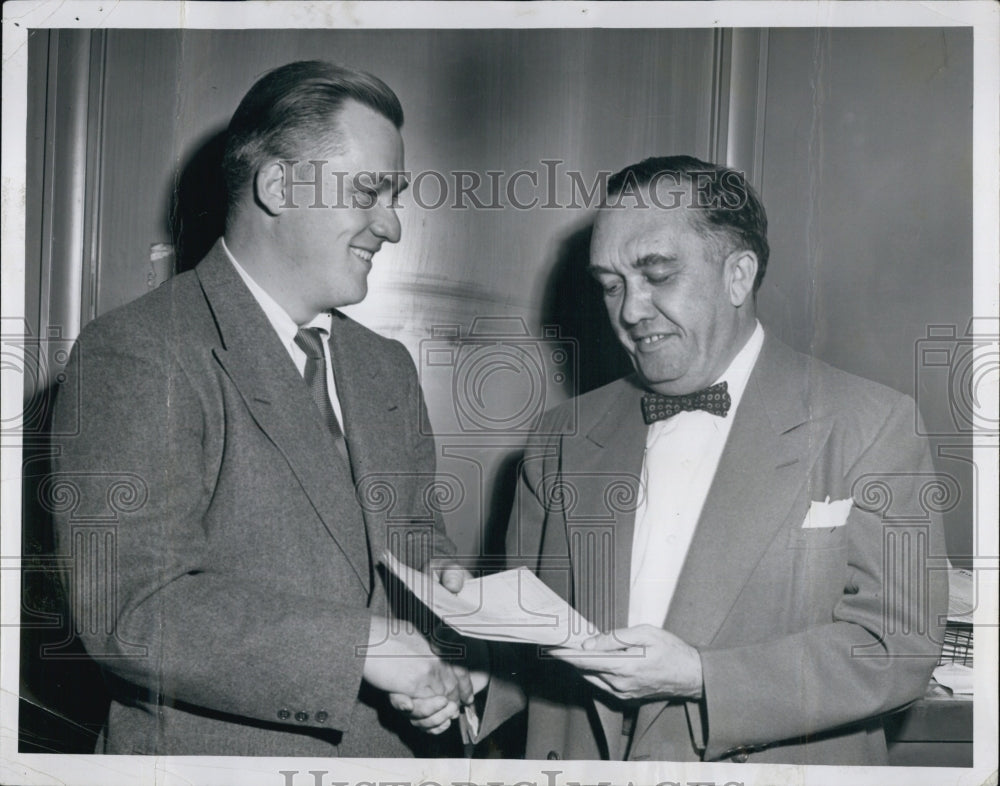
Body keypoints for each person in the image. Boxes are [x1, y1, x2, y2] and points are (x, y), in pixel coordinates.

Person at [51, 60, 474, 756]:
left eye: (392, 196)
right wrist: (362, 645)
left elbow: (413, 535)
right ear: (279, 186)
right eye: (370, 192)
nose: (392, 226)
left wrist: (447, 609)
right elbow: (131, 612)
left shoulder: (385, 366)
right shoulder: (138, 351)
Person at [477, 155, 948, 764]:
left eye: (657, 274)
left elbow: (896, 646)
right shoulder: (560, 436)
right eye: (611, 284)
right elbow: (528, 639)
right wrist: (470, 668)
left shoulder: (872, 424)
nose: (629, 310)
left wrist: (702, 676)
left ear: (738, 275)